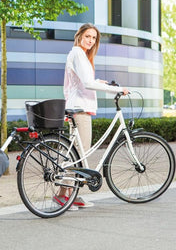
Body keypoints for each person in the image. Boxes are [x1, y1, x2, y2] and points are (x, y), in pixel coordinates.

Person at [54, 23, 129, 210]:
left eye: (94, 38)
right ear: (79, 36)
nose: (91, 40)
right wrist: (117, 89)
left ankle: (72, 194)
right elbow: (87, 84)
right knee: (79, 154)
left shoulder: (78, 55)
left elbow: (79, 82)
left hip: (78, 107)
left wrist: (98, 82)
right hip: (79, 109)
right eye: (88, 36)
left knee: (77, 152)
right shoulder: (78, 54)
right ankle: (62, 195)